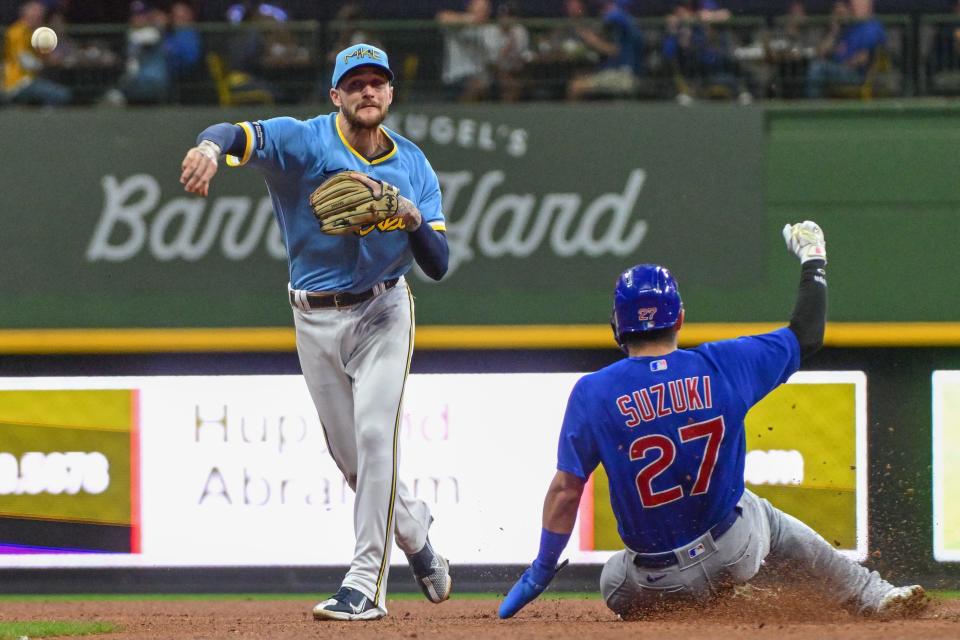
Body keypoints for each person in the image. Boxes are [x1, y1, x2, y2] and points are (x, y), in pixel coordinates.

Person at [498, 221, 928, 620]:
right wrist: (813, 258)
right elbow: (808, 333)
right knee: (762, 513)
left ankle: (691, 614)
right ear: (680, 318)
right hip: (733, 555)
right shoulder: (723, 364)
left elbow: (565, 491)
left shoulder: (593, 393)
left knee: (613, 577)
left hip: (653, 582)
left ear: (617, 326)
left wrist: (541, 569)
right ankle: (872, 594)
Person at [178, 43, 452, 621]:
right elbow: (232, 133)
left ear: (391, 93)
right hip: (314, 315)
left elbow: (438, 262)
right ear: (336, 96)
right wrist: (208, 147)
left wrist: (407, 214)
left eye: (377, 82)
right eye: (355, 84)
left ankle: (364, 585)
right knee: (354, 464)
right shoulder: (303, 142)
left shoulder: (415, 166)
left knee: (378, 436)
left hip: (384, 310)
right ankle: (415, 531)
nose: (368, 92)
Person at [805, 0, 886, 99]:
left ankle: (813, 108)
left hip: (856, 75)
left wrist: (844, 65)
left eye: (860, 4)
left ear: (869, 6)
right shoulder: (847, 27)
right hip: (837, 70)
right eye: (853, 4)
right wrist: (834, 29)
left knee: (817, 68)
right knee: (815, 64)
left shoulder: (872, 27)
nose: (855, 7)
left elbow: (862, 58)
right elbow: (820, 52)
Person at [566, 0, 644, 100]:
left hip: (624, 76)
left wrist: (589, 38)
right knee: (579, 77)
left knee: (575, 87)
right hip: (618, 71)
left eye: (606, 8)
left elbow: (614, 50)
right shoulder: (624, 22)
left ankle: (574, 116)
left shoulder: (619, 19)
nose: (603, 12)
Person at [2, 0, 72, 105]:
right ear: (26, 14)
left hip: (29, 80)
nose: (40, 15)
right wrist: (48, 61)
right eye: (36, 12)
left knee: (58, 87)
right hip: (19, 83)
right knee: (62, 95)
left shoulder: (31, 32)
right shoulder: (17, 32)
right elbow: (26, 61)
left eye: (41, 12)